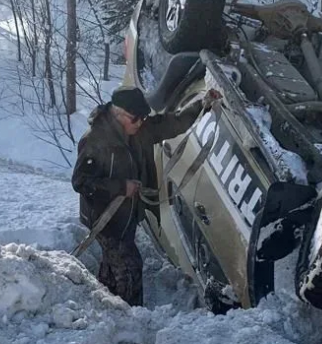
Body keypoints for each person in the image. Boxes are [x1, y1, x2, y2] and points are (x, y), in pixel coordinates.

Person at [71, 86, 222, 305]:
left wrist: (202, 104)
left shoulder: (138, 129)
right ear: (119, 113)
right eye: (136, 119)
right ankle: (131, 315)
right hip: (105, 219)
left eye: (143, 118)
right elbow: (81, 182)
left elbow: (173, 123)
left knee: (115, 261)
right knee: (130, 266)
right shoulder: (94, 141)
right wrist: (121, 187)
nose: (141, 122)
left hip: (127, 215)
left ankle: (104, 297)